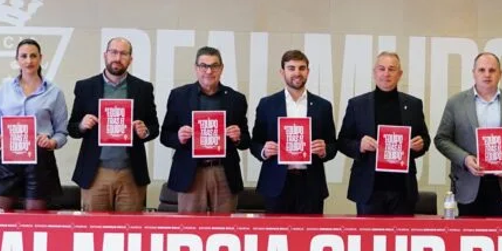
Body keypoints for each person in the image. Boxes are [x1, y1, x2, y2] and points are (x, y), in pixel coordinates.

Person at [434, 52, 502, 217]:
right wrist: (465, 159)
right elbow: (441, 139)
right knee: (469, 233)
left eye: (492, 70)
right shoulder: (456, 103)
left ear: (500, 74)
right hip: (468, 183)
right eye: (481, 70)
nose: (487, 74)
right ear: (473, 73)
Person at [68, 38, 159, 212]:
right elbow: (72, 127)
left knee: (130, 227)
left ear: (130, 59)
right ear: (105, 55)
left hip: (131, 172)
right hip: (95, 172)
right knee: (94, 227)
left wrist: (145, 131)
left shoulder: (143, 88)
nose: (117, 58)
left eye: (123, 54)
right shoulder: (85, 87)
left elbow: (154, 127)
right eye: (113, 52)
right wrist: (81, 125)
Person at [338, 52, 430, 215]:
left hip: (402, 189)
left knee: (402, 233)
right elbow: (342, 141)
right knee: (368, 233)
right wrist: (360, 146)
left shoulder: (414, 104)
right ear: (374, 73)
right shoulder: (357, 104)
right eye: (381, 69)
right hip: (369, 189)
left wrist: (419, 144)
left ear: (399, 74)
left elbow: (425, 140)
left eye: (391, 69)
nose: (386, 74)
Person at [160, 46, 250, 213]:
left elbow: (246, 140)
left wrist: (238, 137)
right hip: (190, 172)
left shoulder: (236, 99)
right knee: (189, 226)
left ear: (221, 68)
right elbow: (165, 135)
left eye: (214, 66)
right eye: (203, 66)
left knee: (224, 226)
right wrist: (178, 137)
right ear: (196, 68)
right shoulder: (179, 96)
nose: (209, 71)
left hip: (224, 172)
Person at [250, 50, 338, 214]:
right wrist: (264, 150)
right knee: (276, 231)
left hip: (310, 184)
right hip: (276, 184)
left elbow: (333, 145)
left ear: (308, 72)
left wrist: (324, 149)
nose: (297, 73)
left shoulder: (323, 106)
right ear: (282, 72)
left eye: (302, 68)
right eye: (291, 68)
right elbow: (255, 143)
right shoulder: (267, 104)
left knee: (310, 230)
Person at [0, 38, 69, 211]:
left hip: (41, 161)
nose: (29, 61)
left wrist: (52, 142)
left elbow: (62, 133)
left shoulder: (54, 92)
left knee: (35, 218)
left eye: (33, 56)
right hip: (9, 159)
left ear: (40, 58)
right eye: (24, 56)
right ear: (17, 59)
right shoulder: (4, 89)